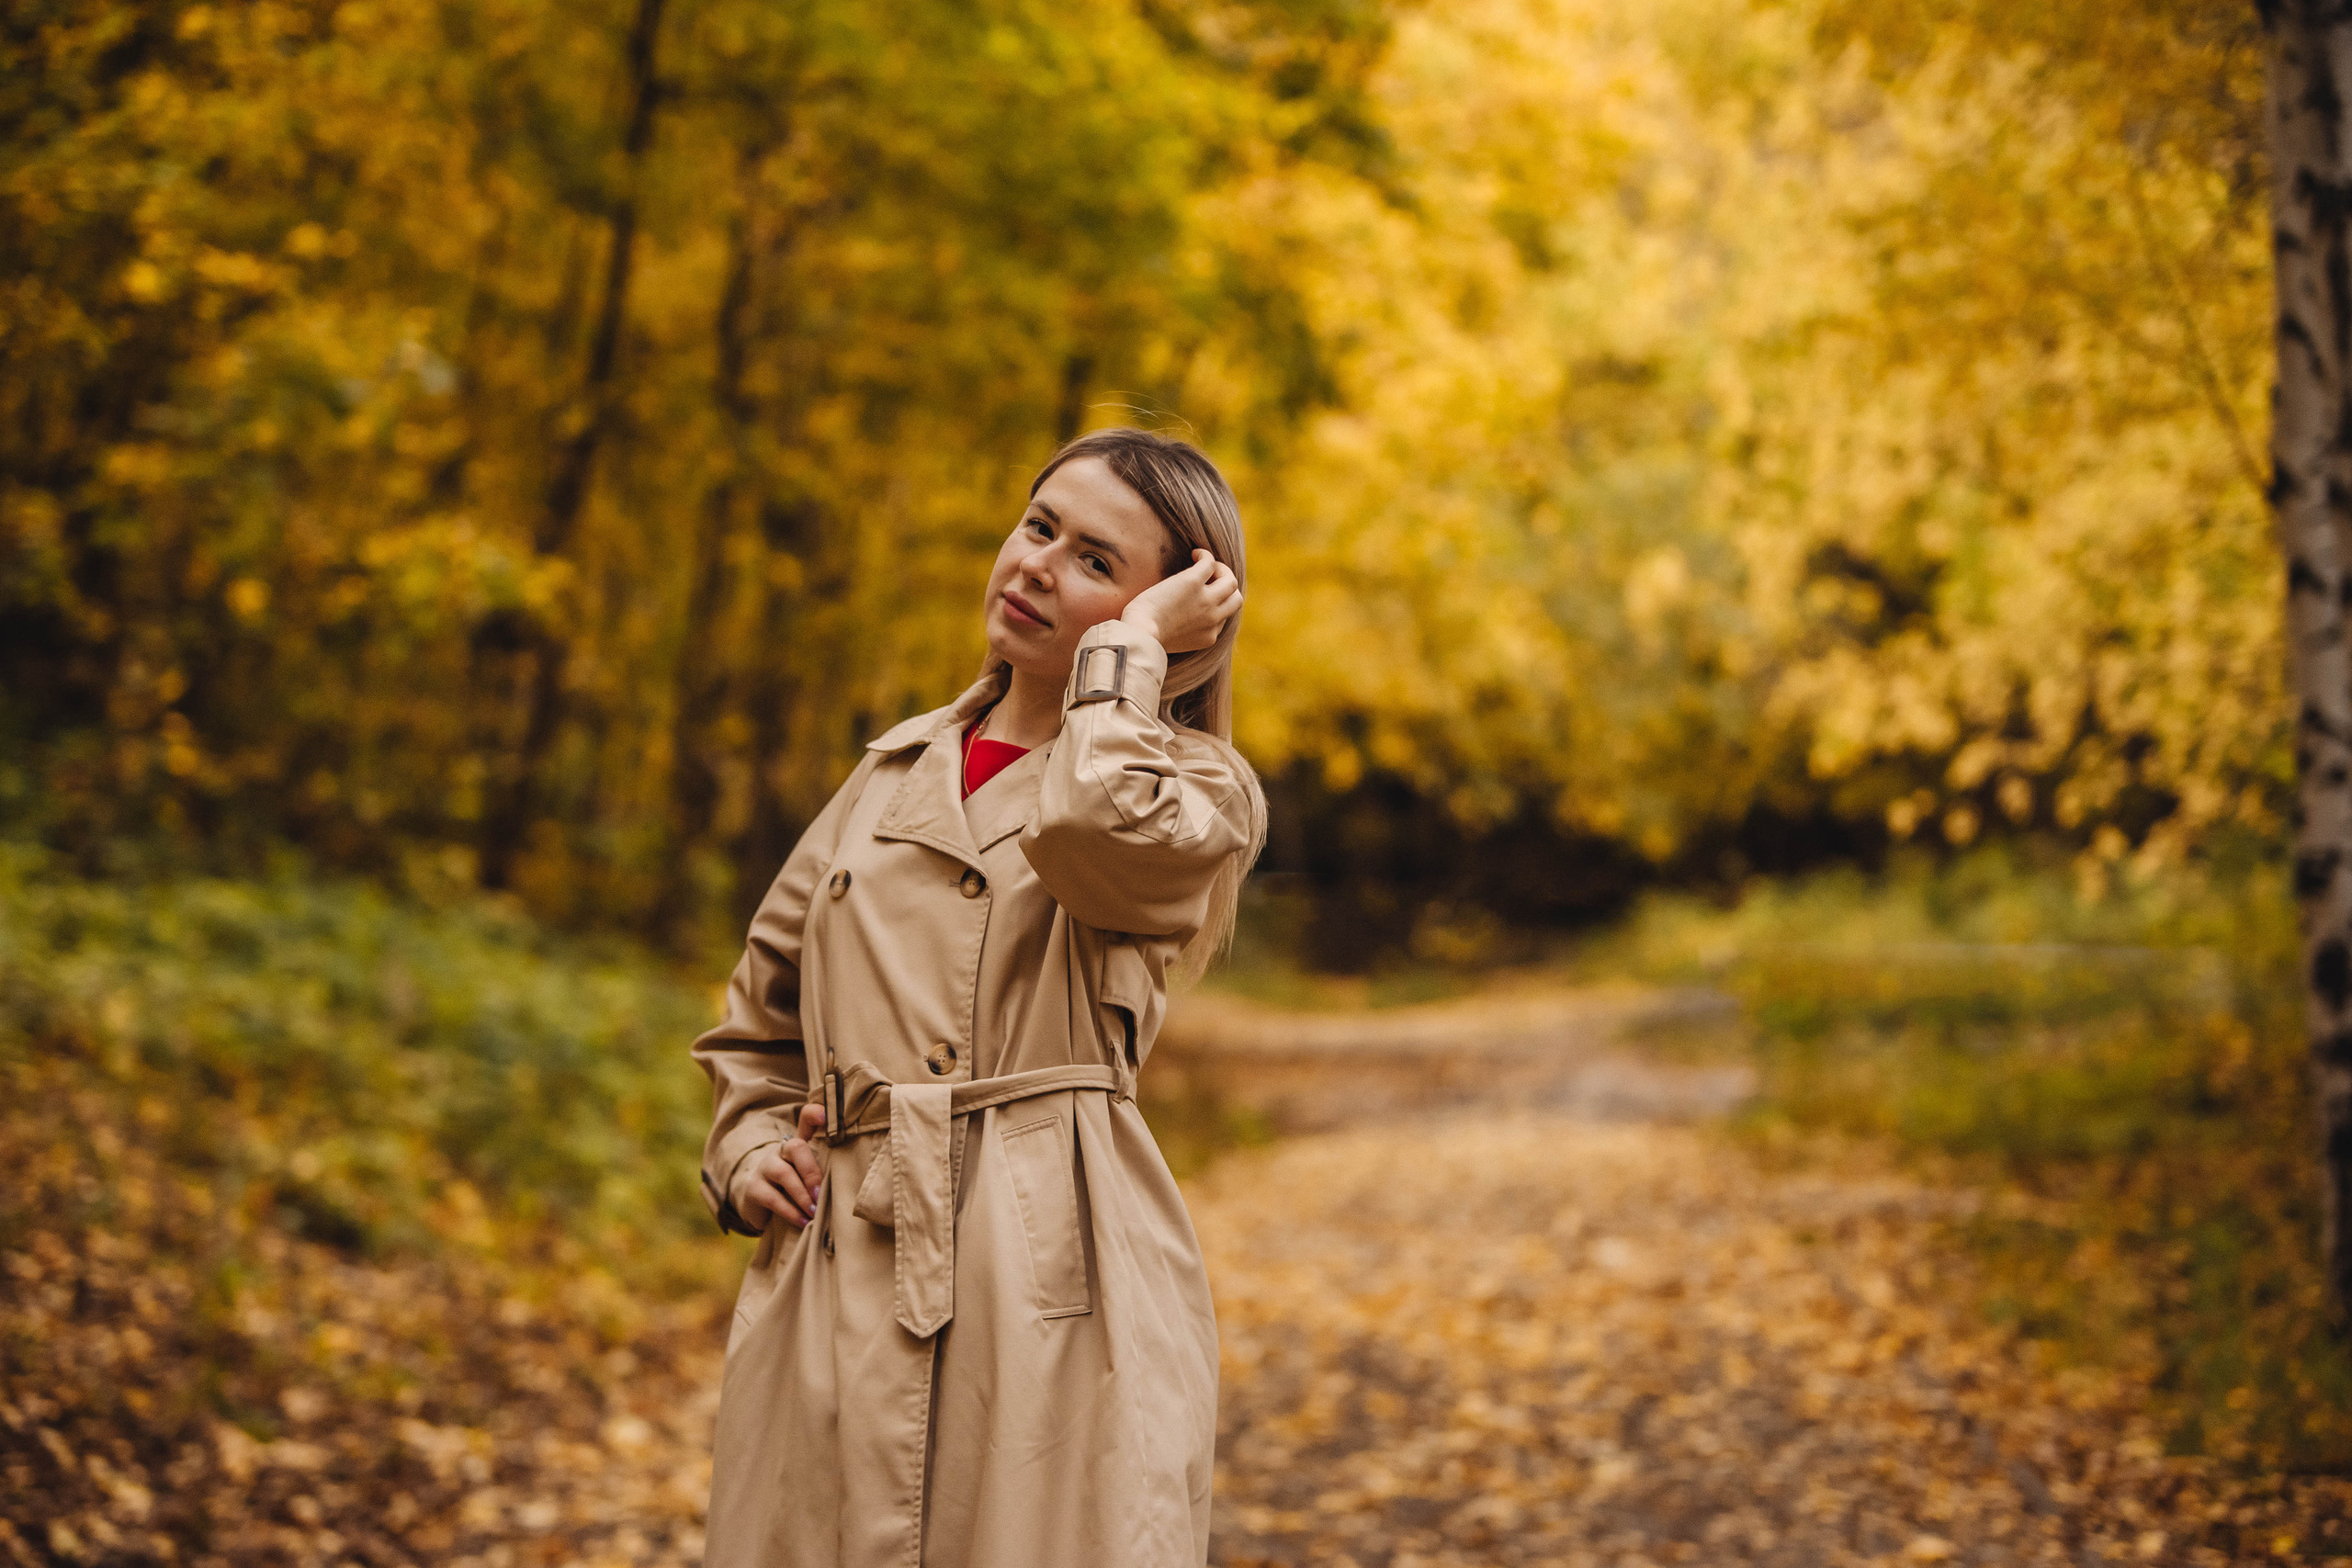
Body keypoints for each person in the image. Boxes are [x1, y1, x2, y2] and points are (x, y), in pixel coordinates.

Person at [690, 427, 1268, 1568]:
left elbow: (1086, 828)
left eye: (1098, 563)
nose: (1039, 565)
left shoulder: (1197, 789)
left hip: (1048, 1270)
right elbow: (761, 1022)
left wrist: (1129, 662)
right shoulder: (889, 771)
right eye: (1038, 525)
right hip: (839, 1262)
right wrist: (749, 1143)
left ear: (1175, 624)